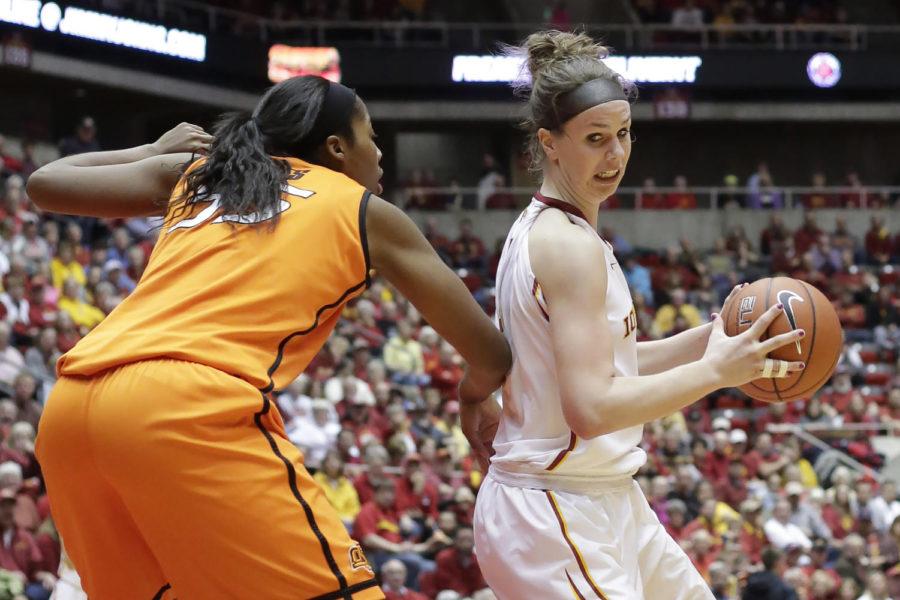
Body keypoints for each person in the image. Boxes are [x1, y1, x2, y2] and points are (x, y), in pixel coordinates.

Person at [28, 75, 511, 599]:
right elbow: (489, 350)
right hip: (184, 407)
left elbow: (46, 181)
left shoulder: (204, 175)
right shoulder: (362, 209)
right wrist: (472, 395)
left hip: (71, 412)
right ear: (337, 148)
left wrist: (150, 150)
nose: (378, 154)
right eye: (371, 137)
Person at [472, 30, 805, 599]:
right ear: (550, 143)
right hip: (555, 507)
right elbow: (592, 408)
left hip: (604, 495)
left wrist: (714, 337)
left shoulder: (560, 227)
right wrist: (716, 373)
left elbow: (611, 365)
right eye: (595, 139)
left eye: (624, 134)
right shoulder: (568, 245)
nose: (616, 154)